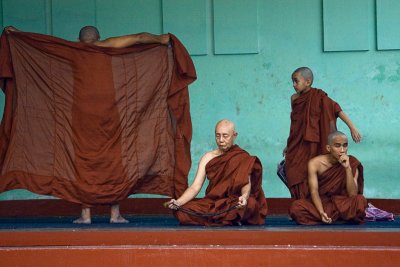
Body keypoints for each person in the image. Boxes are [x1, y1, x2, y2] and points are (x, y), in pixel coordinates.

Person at [4, 26, 171, 224]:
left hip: (80, 115)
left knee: (83, 162)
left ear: (79, 38)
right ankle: (114, 214)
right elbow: (139, 37)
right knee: (114, 160)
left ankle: (86, 215)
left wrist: (17, 33)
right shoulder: (107, 45)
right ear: (99, 37)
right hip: (111, 113)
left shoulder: (73, 49)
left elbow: (43, 44)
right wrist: (162, 39)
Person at [166, 119, 267, 226]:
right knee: (183, 210)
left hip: (234, 202)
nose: (221, 140)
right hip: (213, 203)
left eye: (225, 136)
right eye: (217, 136)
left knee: (250, 204)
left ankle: (221, 218)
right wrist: (179, 202)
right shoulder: (208, 157)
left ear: (234, 135)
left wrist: (244, 197)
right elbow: (195, 186)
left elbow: (246, 182)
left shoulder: (243, 157)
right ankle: (227, 219)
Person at [283, 67, 362, 200]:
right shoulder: (294, 99)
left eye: (296, 81)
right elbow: (295, 125)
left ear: (308, 82)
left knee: (310, 173)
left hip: (314, 143)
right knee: (293, 171)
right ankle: (299, 201)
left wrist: (352, 127)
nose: (294, 85)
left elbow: (337, 110)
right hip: (298, 143)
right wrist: (289, 144)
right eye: (292, 81)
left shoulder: (320, 97)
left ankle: (312, 202)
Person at [289, 131, 367, 225]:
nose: (342, 150)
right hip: (323, 203)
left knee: (360, 201)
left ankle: (331, 218)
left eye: (345, 145)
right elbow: (314, 191)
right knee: (296, 207)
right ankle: (333, 217)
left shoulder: (352, 162)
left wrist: (347, 168)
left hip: (343, 203)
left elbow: (352, 194)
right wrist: (321, 212)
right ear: (328, 148)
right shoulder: (315, 163)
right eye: (337, 146)